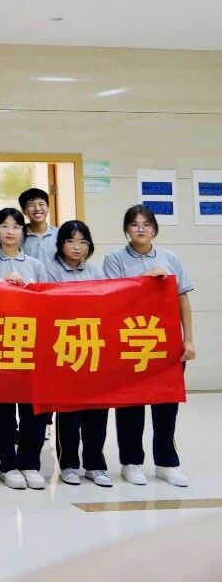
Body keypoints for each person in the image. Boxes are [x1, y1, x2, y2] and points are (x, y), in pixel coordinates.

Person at [103, 204, 195, 488]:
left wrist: (188, 338)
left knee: (166, 405)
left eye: (146, 224)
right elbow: (113, 298)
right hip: (130, 342)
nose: (141, 229)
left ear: (155, 229)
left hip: (166, 345)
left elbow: (182, 300)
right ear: (126, 229)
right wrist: (144, 280)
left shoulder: (170, 258)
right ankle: (131, 462)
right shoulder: (114, 259)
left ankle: (166, 463)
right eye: (134, 224)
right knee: (130, 405)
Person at [0, 207, 49, 491]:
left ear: (23, 231)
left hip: (31, 341)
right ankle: (7, 464)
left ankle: (30, 462)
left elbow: (46, 302)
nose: (10, 231)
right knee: (3, 408)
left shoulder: (35, 264)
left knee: (34, 407)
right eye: (5, 226)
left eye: (16, 227)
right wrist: (1, 286)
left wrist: (28, 289)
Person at [44, 220, 112, 488]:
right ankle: (69, 464)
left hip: (93, 346)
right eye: (71, 241)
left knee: (97, 409)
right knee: (69, 411)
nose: (77, 247)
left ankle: (95, 464)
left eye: (83, 242)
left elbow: (108, 306)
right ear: (60, 244)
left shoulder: (95, 271)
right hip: (63, 347)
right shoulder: (49, 271)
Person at [19, 187, 59, 263]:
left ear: (48, 208)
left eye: (41, 204)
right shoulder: (18, 235)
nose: (37, 208)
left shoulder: (59, 234)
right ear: (24, 210)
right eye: (31, 205)